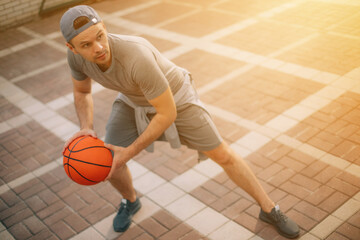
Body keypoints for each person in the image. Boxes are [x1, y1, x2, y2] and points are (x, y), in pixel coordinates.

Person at [60, 5, 300, 239]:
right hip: (133, 100)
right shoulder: (76, 58)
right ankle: (130, 201)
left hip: (176, 98)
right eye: (87, 45)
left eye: (100, 36)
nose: (99, 47)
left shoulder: (135, 55)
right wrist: (86, 127)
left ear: (104, 26)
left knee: (222, 154)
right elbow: (82, 92)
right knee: (109, 161)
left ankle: (269, 209)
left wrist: (130, 152)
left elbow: (166, 113)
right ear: (72, 48)